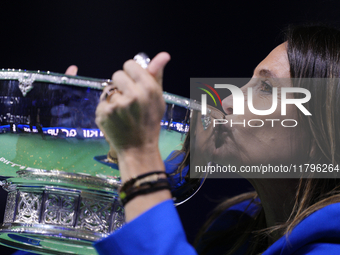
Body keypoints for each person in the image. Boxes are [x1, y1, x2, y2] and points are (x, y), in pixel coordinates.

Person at [93, 24, 340, 255]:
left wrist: (139, 156)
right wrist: (120, 154)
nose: (227, 102)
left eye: (265, 88)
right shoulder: (231, 232)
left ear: (322, 131)